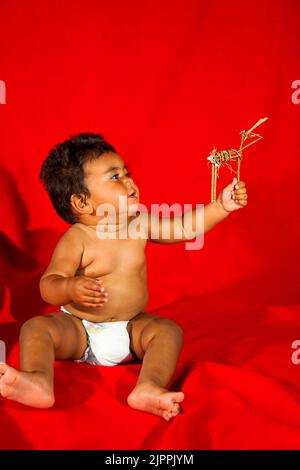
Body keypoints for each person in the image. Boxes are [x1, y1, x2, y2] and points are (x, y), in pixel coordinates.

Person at [0, 133, 248, 420]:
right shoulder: (77, 239)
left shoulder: (138, 222)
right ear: (82, 202)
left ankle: (148, 387)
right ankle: (38, 380)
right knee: (37, 328)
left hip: (131, 329)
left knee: (167, 331)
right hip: (80, 331)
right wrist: (70, 287)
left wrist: (220, 207)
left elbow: (182, 229)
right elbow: (48, 286)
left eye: (126, 172)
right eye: (114, 177)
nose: (129, 181)